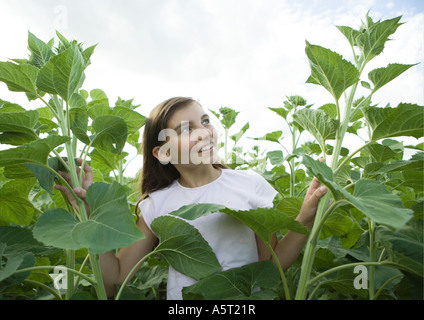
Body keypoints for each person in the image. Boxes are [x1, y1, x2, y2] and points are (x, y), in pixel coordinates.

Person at [55, 97, 327, 299]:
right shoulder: (156, 205)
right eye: (186, 129)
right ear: (164, 153)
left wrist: (306, 215)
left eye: (205, 121)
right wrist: (89, 214)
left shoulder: (249, 184)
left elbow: (271, 264)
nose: (204, 131)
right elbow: (115, 280)